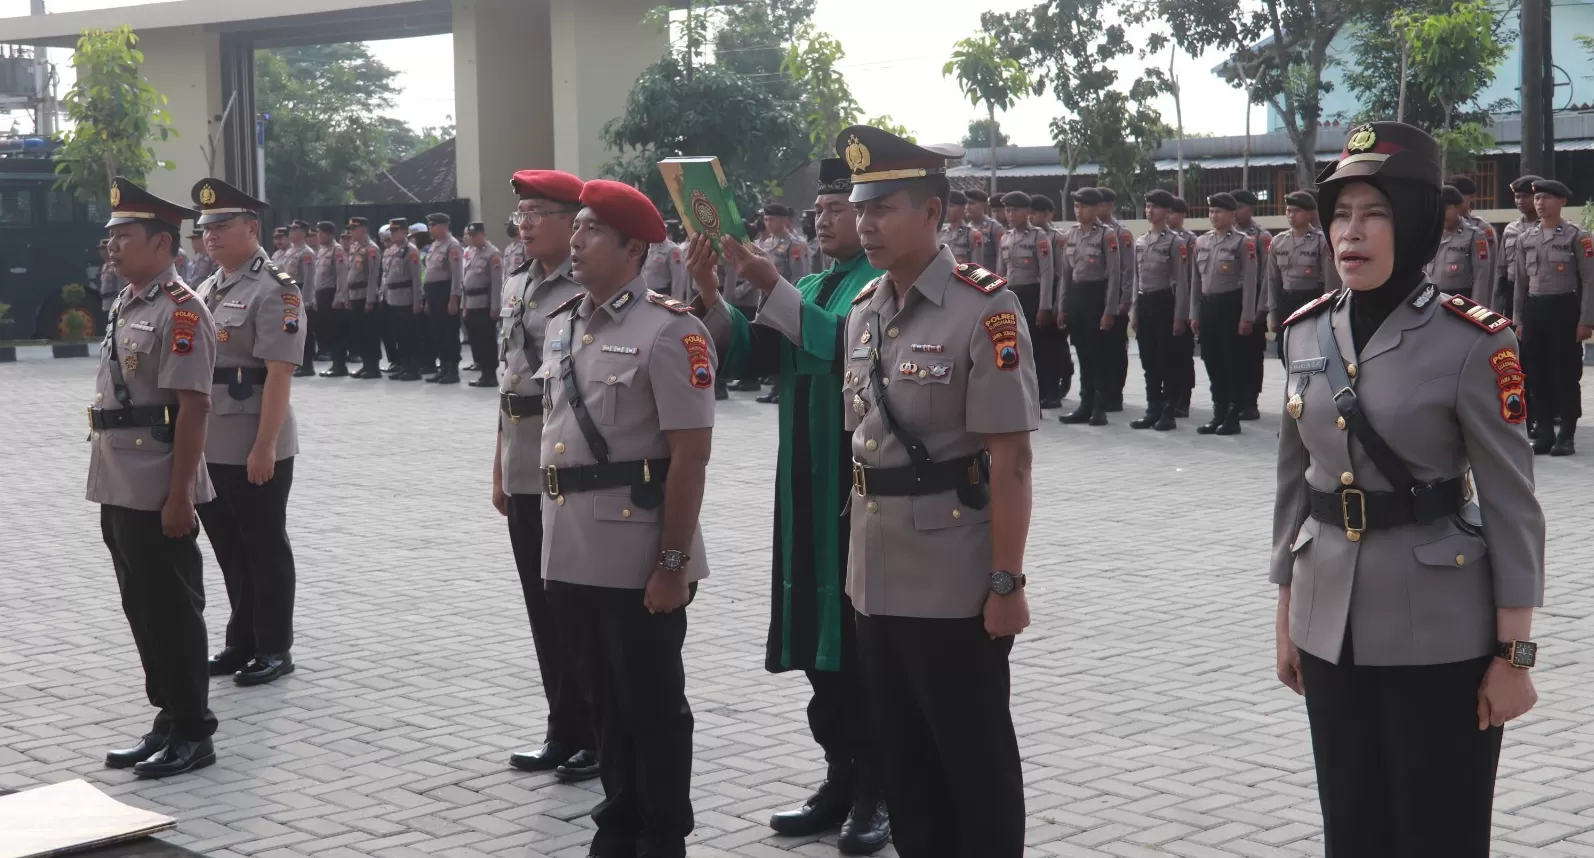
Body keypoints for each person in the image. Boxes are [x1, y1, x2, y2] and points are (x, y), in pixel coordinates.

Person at [1272, 120, 1545, 858]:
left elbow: (1514, 505)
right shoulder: (1303, 333)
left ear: (1418, 222)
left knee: (1439, 833)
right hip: (1328, 622)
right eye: (1341, 214)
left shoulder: (1473, 341)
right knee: (1352, 829)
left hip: (1441, 632)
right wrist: (1286, 608)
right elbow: (1295, 483)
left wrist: (1513, 655)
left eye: (1376, 213)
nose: (1349, 233)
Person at [837, 124, 1035, 858]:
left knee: (972, 762)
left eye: (884, 208)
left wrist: (1006, 581)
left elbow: (1010, 463)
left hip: (954, 576)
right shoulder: (865, 310)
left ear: (932, 213)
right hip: (876, 574)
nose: (866, 224)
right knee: (905, 763)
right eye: (861, 209)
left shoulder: (985, 308)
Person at [686, 157, 891, 855]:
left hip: (855, 485)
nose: (830, 219)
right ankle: (838, 777)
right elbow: (748, 358)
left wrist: (768, 283)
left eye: (845, 207)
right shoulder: (810, 283)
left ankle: (878, 789)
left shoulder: (881, 287)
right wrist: (713, 294)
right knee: (815, 633)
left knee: (861, 642)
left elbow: (839, 346)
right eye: (827, 209)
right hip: (803, 481)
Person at [538, 179, 717, 858]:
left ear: (633, 248)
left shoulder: (672, 329)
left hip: (638, 550)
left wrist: (671, 564)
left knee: (652, 704)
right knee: (602, 703)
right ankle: (619, 822)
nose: (575, 241)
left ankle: (663, 833)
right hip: (573, 545)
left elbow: (690, 457)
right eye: (575, 228)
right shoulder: (562, 321)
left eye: (590, 231)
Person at [91, 176, 219, 779]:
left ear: (163, 245)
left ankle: (195, 729)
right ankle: (167, 716)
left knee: (172, 606)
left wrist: (180, 497)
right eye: (110, 238)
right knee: (139, 602)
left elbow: (193, 408)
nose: (111, 247)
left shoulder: (183, 310)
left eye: (124, 237)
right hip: (120, 478)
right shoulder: (128, 302)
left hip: (159, 483)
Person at [494, 170, 599, 782]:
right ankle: (562, 726)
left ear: (572, 223)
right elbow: (508, 382)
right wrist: (499, 467)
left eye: (539, 213)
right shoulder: (518, 283)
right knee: (541, 604)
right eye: (522, 215)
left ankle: (595, 731)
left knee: (573, 604)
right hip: (523, 456)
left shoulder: (585, 286)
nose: (526, 224)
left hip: (568, 461)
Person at [187, 178, 306, 688]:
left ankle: (275, 646)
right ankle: (243, 639)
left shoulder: (276, 287)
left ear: (251, 228)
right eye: (205, 228)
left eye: (221, 226)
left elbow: (279, 373)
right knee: (229, 547)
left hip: (256, 439)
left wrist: (265, 447)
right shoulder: (211, 285)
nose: (210, 236)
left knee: (263, 545)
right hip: (212, 441)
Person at [1513, 178, 1594, 457]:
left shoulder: (1576, 236)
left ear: (1561, 202)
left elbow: (1589, 279)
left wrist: (1585, 319)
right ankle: (1544, 431)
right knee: (1535, 373)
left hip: (1564, 308)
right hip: (1535, 310)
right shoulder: (1526, 238)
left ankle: (1566, 435)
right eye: (1537, 198)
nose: (1540, 203)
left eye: (1546, 197)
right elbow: (1520, 284)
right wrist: (1518, 320)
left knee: (1565, 373)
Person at [1190, 193, 1257, 436]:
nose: (1213, 216)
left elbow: (1250, 282)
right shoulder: (1201, 242)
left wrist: (1247, 316)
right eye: (1211, 211)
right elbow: (1196, 281)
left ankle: (1232, 415)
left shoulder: (1243, 242)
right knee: (1211, 360)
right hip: (1208, 307)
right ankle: (1218, 411)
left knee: (1232, 363)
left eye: (1218, 211)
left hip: (1231, 306)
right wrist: (1194, 313)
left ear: (1231, 214)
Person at [1056, 187, 1121, 426]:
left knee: (1098, 355)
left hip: (1096, 297)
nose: (1078, 211)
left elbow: (1114, 275)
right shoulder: (1071, 234)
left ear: (1095, 208)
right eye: (1076, 206)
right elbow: (1065, 273)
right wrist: (1062, 307)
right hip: (1076, 298)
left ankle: (1099, 408)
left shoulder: (1107, 235)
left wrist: (1109, 310)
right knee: (1082, 353)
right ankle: (1084, 405)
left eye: (1083, 206)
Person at [1129, 189, 1189, 431]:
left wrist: (1179, 316)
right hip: (1145, 303)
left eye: (1155, 207)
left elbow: (1182, 282)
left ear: (1167, 212)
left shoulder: (1176, 242)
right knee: (1149, 360)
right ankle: (1152, 408)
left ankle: (1168, 411)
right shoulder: (1140, 241)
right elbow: (1136, 278)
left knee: (1167, 361)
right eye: (1147, 206)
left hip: (1166, 302)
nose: (1149, 211)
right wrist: (1134, 310)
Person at [995, 191, 1055, 412]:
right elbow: (1001, 274)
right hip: (1011, 295)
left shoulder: (1038, 237)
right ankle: (1016, 397)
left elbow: (1047, 273)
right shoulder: (1006, 238)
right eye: (1008, 210)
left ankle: (1038, 397)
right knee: (1010, 349)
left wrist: (1045, 306)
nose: (1011, 215)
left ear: (1028, 212)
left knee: (1035, 349)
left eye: (1016, 210)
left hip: (1032, 294)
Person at [1267, 191, 1339, 330]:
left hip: (1312, 301)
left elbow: (1330, 280)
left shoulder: (1321, 240)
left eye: (1297, 211)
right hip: (1286, 301)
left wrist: (1328, 309)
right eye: (1289, 210)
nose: (1291, 215)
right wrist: (1273, 311)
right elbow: (1272, 279)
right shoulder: (1278, 241)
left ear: (1309, 214)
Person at [1231, 189, 1272, 421]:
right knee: (1232, 354)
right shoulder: (1226, 235)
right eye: (1233, 207)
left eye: (1240, 206)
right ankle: (1233, 400)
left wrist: (1262, 307)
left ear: (1251, 208)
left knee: (1251, 355)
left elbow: (1266, 274)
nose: (1236, 212)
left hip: (1253, 299)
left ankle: (1250, 401)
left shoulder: (1261, 237)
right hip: (1231, 300)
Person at [1029, 194, 1072, 406]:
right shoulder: (1028, 236)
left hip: (1054, 292)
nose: (1032, 217)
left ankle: (1058, 385)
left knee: (1055, 346)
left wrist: (1057, 304)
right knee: (1040, 348)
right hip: (1036, 293)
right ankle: (1044, 389)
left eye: (1036, 213)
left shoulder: (1057, 237)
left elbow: (1061, 273)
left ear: (1048, 214)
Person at [1094, 187, 1135, 413]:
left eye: (1099, 204)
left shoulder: (1121, 233)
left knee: (1116, 348)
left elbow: (1128, 269)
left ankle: (1114, 393)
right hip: (1097, 298)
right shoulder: (1090, 231)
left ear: (1109, 206)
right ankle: (1099, 392)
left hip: (1117, 298)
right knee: (1097, 349)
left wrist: (1125, 299)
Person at [420, 212, 465, 385]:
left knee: (449, 333)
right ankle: (443, 367)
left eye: (433, 225)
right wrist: (427, 298)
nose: (430, 229)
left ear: (444, 226)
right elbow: (428, 273)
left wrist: (453, 299)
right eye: (430, 226)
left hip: (445, 292)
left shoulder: (452, 246)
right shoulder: (434, 245)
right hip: (433, 293)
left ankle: (452, 369)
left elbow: (456, 275)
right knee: (437, 333)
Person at [1424, 186, 1491, 304]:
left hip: (1460, 299)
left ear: (1458, 208)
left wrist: (1477, 307)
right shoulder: (1429, 234)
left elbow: (1481, 276)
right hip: (1432, 298)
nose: (1441, 214)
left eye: (1445, 209)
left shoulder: (1474, 235)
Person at [337, 217, 384, 379]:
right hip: (355, 295)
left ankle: (373, 366)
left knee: (370, 332)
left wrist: (371, 299)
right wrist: (347, 297)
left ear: (363, 229)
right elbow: (350, 273)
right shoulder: (355, 248)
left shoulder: (372, 249)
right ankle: (365, 364)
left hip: (365, 295)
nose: (351, 232)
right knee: (359, 333)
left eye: (354, 229)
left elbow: (373, 276)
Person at [461, 221, 504, 387]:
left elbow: (496, 283)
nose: (472, 238)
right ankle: (483, 373)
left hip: (484, 304)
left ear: (483, 235)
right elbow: (466, 282)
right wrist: (464, 306)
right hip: (471, 303)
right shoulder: (470, 253)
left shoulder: (492, 254)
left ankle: (490, 374)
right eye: (470, 235)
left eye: (475, 235)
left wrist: (495, 306)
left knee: (487, 340)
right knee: (476, 339)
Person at [1166, 197, 1198, 418]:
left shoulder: (1189, 240)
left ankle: (1183, 398)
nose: (1168, 217)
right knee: (1166, 356)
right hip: (1164, 301)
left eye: (1173, 213)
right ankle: (1168, 396)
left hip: (1183, 302)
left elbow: (1191, 277)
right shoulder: (1157, 238)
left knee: (1182, 356)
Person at [382, 218, 425, 381]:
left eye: (396, 231)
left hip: (406, 298)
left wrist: (417, 301)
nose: (392, 234)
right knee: (399, 335)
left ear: (405, 232)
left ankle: (413, 368)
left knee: (409, 336)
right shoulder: (393, 250)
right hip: (393, 298)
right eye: (391, 231)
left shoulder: (411, 251)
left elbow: (416, 279)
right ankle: (404, 365)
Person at [1495, 175, 1540, 313]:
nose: (1520, 201)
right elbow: (1501, 268)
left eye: (1525, 196)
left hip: (1538, 289)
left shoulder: (1548, 228)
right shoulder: (1510, 229)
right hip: (1511, 288)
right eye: (1517, 197)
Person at [311, 221, 350, 378]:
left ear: (329, 234)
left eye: (321, 233)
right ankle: (335, 363)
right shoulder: (322, 251)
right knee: (327, 331)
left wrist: (340, 295)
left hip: (331, 294)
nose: (319, 236)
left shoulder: (337, 250)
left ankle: (340, 365)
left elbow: (342, 275)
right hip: (321, 294)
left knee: (336, 332)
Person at [286, 221, 318, 378]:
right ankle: (298, 363)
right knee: (292, 332)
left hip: (300, 295)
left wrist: (305, 301)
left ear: (304, 233)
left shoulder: (307, 253)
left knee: (304, 333)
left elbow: (310, 279)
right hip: (289, 296)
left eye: (295, 230)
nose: (291, 232)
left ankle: (307, 365)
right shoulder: (290, 252)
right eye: (291, 229)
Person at [938, 190, 984, 266]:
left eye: (951, 206)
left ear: (963, 209)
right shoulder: (941, 233)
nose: (947, 210)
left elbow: (976, 266)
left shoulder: (972, 235)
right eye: (946, 206)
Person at [966, 189, 1003, 273]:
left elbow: (1001, 258)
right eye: (966, 203)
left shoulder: (995, 227)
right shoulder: (966, 229)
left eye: (972, 203)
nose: (967, 207)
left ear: (983, 206)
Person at [98, 238, 126, 318]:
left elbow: (121, 286)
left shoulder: (116, 265)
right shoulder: (104, 266)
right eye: (100, 250)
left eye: (103, 249)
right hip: (105, 301)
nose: (101, 252)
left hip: (114, 300)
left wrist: (119, 302)